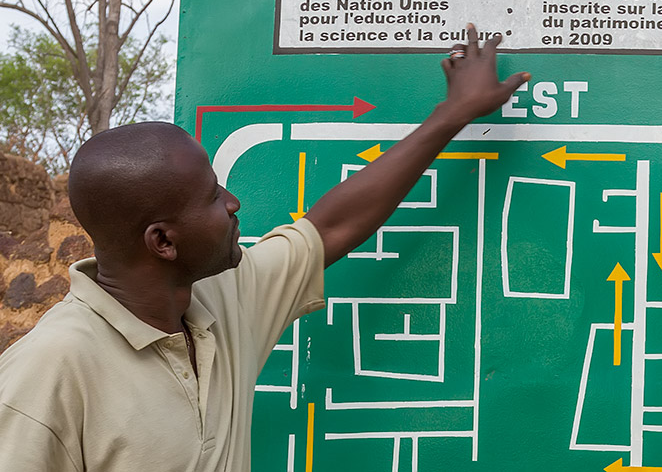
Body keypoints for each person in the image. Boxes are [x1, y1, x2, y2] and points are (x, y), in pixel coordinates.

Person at [0, 26, 527, 471]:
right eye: (211, 197)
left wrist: (452, 115)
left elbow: (332, 226)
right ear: (163, 241)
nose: (233, 203)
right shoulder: (50, 371)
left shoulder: (220, 301)